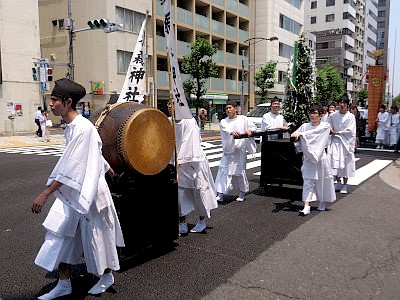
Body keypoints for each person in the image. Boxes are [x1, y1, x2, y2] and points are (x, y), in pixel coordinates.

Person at [31, 78, 125, 299]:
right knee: (62, 233)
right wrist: (111, 172)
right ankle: (64, 283)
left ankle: (107, 276)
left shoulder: (82, 129)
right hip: (75, 191)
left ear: (67, 101)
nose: (51, 104)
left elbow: (73, 165)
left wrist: (45, 193)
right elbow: (95, 155)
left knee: (98, 238)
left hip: (90, 193)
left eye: (54, 100)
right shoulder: (74, 127)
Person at [168, 104, 218, 234]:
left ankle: (202, 220)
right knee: (179, 195)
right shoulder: (167, 121)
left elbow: (189, 142)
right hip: (177, 163)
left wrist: (180, 158)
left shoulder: (189, 121)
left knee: (200, 193)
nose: (170, 106)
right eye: (168, 103)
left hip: (194, 162)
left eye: (173, 103)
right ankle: (182, 221)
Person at [291, 104, 336, 216]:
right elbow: (295, 134)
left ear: (320, 115)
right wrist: (296, 135)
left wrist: (301, 134)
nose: (312, 115)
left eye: (315, 113)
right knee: (308, 181)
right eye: (311, 113)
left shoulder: (325, 126)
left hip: (321, 158)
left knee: (322, 180)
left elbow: (314, 133)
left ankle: (322, 201)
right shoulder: (305, 126)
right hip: (308, 158)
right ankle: (306, 206)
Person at [215, 100, 256, 202]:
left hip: (239, 151)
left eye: (230, 107)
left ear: (235, 109)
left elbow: (253, 127)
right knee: (223, 171)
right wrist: (232, 132)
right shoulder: (224, 121)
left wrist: (249, 131)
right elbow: (226, 129)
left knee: (240, 172)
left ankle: (242, 193)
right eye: (227, 108)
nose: (228, 110)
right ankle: (220, 193)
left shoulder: (243, 119)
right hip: (228, 152)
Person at [327, 94, 356, 194]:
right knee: (334, 162)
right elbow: (328, 125)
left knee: (346, 163)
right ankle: (338, 181)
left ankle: (345, 184)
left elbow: (350, 131)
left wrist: (338, 132)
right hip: (335, 141)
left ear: (347, 105)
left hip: (345, 143)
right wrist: (331, 130)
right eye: (340, 103)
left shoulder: (350, 116)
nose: (342, 105)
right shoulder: (333, 115)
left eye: (344, 103)